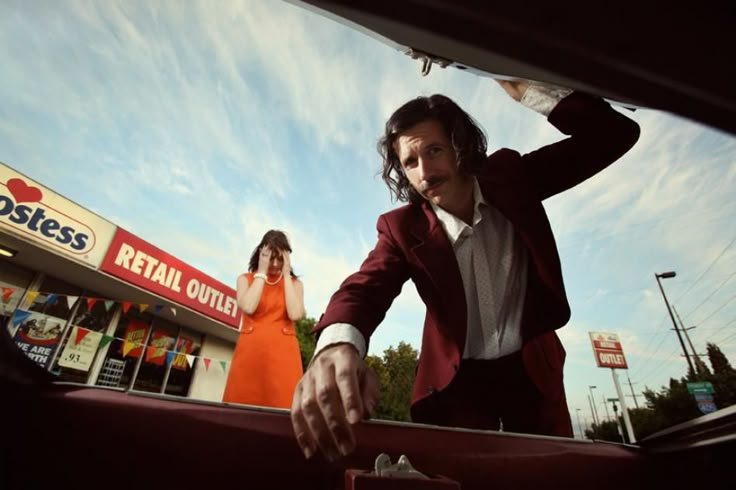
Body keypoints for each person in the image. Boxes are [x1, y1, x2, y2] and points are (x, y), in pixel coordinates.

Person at [290, 78, 640, 461]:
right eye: (410, 162)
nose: (424, 170)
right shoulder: (400, 228)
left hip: (532, 368)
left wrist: (530, 90)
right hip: (458, 384)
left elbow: (613, 135)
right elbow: (364, 288)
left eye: (434, 150)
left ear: (460, 148)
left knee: (547, 471)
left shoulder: (511, 178)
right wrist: (337, 344)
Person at [222, 230, 305, 409]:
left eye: (280, 258)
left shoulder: (295, 284)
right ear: (261, 254)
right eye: (270, 258)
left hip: (283, 358)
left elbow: (295, 314)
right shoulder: (245, 279)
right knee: (240, 407)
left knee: (284, 408)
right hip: (250, 355)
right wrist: (261, 272)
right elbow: (249, 306)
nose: (275, 264)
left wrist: (286, 275)